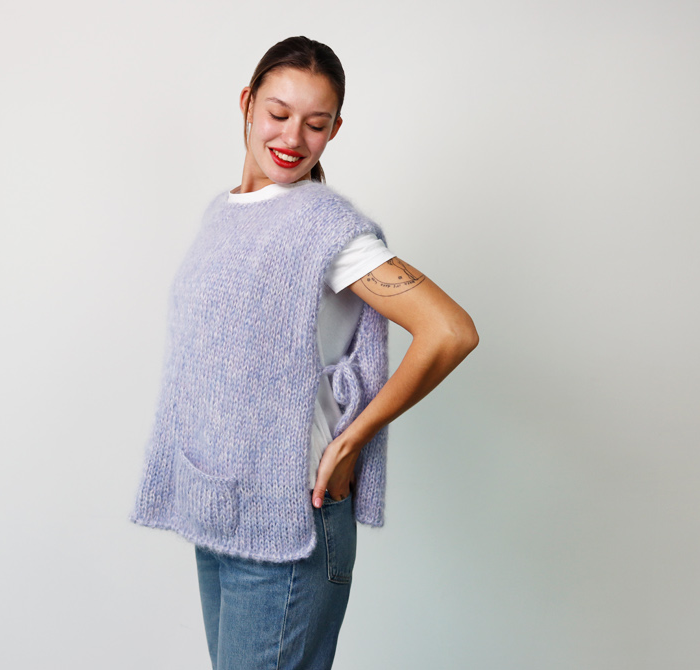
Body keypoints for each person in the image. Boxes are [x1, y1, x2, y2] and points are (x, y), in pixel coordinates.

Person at [130, 36, 478, 669]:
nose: (292, 137)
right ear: (247, 103)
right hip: (224, 511)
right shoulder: (224, 213)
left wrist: (353, 440)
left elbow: (449, 330)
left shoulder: (324, 226)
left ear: (334, 129)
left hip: (293, 521)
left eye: (316, 124)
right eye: (278, 113)